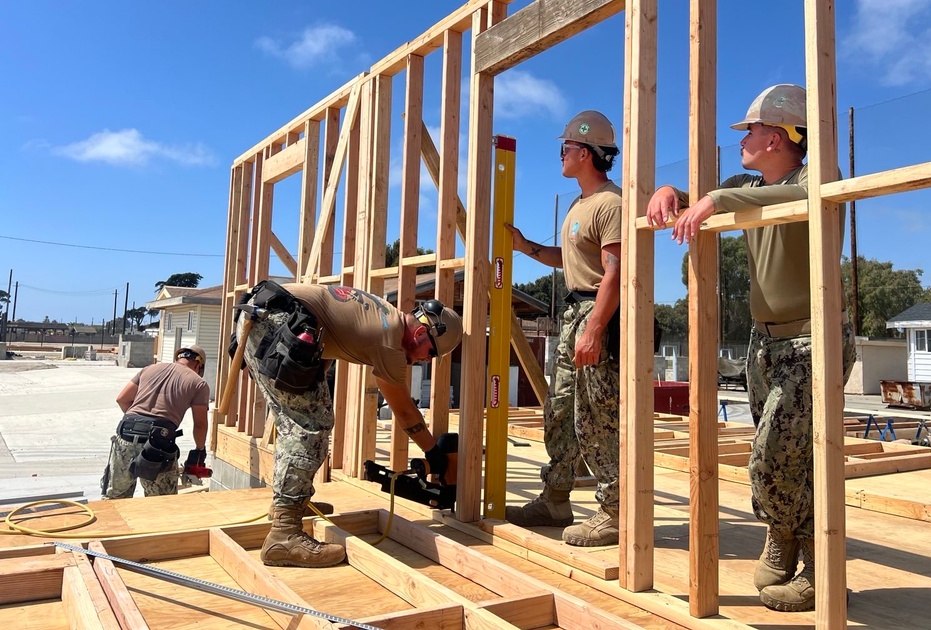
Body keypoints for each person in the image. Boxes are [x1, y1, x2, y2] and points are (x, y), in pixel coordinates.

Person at [646, 84, 856, 612]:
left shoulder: (817, 178)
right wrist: (671, 191)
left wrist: (716, 198)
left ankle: (814, 566)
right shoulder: (748, 183)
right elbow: (712, 202)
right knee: (786, 456)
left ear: (783, 135)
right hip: (767, 344)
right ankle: (788, 545)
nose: (743, 138)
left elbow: (789, 200)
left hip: (815, 337)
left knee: (776, 457)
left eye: (753, 130)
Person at [233, 280, 463, 568]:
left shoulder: (384, 315)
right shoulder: (389, 339)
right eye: (430, 354)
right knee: (311, 426)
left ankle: (291, 506)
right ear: (420, 333)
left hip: (267, 313)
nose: (423, 362)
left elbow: (329, 338)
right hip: (278, 319)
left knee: (297, 422)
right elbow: (403, 411)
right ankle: (284, 534)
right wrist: (433, 452)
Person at [504, 110, 622, 547]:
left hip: (598, 315)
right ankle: (555, 498)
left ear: (589, 153)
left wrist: (595, 329)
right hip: (576, 315)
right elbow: (573, 260)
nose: (562, 153)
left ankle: (614, 511)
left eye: (568, 146)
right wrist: (528, 248)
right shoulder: (578, 205)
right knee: (561, 411)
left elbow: (614, 271)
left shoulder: (611, 203)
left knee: (598, 417)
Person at [102, 345, 210, 499]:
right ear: (198, 365)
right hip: (158, 446)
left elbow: (122, 399)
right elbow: (200, 424)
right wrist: (199, 450)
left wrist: (140, 424)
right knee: (161, 504)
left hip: (126, 434)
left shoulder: (149, 369)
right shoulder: (198, 383)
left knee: (115, 498)